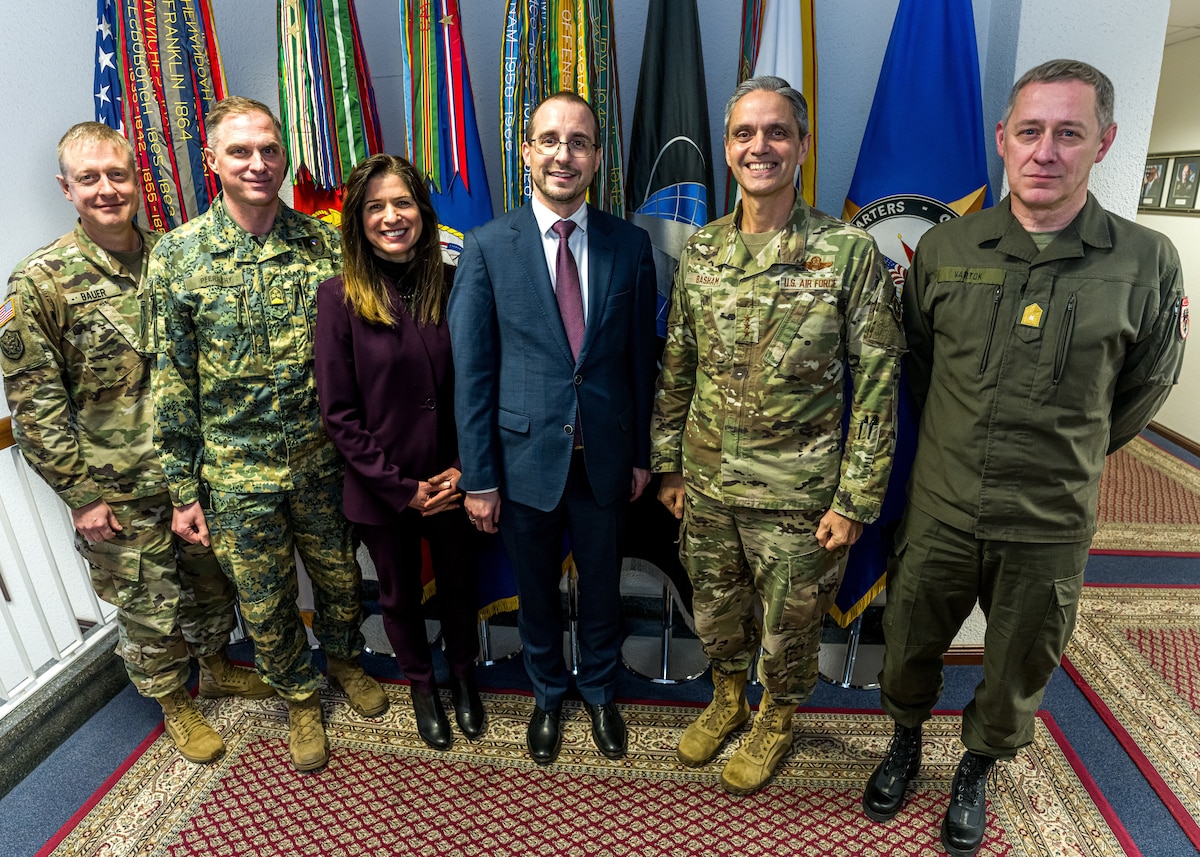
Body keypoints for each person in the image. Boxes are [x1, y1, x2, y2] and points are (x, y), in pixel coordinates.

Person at [864, 60, 1188, 857]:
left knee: (1017, 663)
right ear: (1002, 139)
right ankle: (904, 739)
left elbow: (1143, 390)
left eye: (1068, 133)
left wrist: (1067, 450)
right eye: (1031, 131)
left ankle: (977, 764)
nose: (1046, 150)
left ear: (1102, 142)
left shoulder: (1145, 262)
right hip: (941, 501)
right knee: (907, 640)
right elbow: (920, 364)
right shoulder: (944, 246)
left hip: (1047, 518)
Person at [652, 75, 905, 796]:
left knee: (789, 629)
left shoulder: (846, 252)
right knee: (716, 610)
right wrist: (668, 466)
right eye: (743, 134)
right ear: (727, 149)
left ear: (801, 144)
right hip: (705, 485)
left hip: (801, 495)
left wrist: (856, 499)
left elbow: (879, 383)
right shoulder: (701, 250)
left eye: (775, 132)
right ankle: (728, 697)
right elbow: (678, 364)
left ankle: (776, 717)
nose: (758, 146)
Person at [1, 122, 273, 765]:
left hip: (194, 471)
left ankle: (215, 666)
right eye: (89, 178)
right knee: (148, 603)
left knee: (209, 582)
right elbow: (35, 405)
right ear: (66, 188)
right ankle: (173, 702)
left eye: (117, 174)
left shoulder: (172, 256)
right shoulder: (39, 282)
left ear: (135, 179)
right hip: (116, 486)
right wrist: (80, 496)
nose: (106, 189)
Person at [149, 97, 387, 773]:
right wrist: (183, 488)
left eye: (270, 150)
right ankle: (300, 698)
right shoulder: (178, 256)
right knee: (266, 597)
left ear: (285, 156)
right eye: (242, 151)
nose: (259, 163)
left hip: (321, 460)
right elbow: (172, 379)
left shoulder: (321, 242)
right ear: (214, 160)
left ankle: (344, 659)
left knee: (341, 578)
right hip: (234, 472)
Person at [448, 92, 657, 765]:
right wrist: (478, 476)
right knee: (535, 585)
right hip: (519, 462)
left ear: (596, 157)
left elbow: (638, 362)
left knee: (602, 585)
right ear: (527, 151)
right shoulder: (486, 248)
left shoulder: (631, 246)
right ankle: (546, 692)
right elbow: (472, 374)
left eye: (579, 141)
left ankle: (598, 688)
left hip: (604, 457)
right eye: (550, 140)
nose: (564, 153)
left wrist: (643, 454)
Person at [314, 154, 483, 750]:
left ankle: (463, 676)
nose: (391, 216)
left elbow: (477, 385)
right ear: (358, 219)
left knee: (461, 586)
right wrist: (402, 488)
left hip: (455, 477)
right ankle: (421, 684)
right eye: (376, 206)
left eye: (403, 203)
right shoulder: (337, 298)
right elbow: (339, 413)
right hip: (384, 488)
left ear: (424, 212)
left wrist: (464, 470)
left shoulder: (458, 280)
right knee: (398, 594)